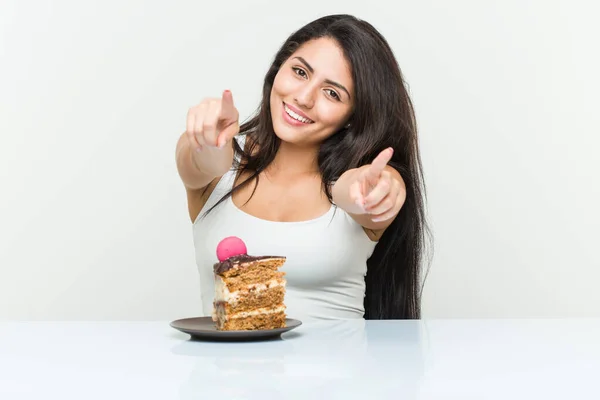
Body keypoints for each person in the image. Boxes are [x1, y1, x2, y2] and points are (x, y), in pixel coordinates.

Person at [175, 14, 430, 321]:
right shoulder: (218, 164)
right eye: (300, 72)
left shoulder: (361, 182)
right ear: (278, 68)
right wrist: (208, 141)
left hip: (349, 369)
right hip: (223, 369)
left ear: (353, 115)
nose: (304, 97)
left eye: (332, 93)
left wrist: (376, 190)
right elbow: (206, 161)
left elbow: (354, 191)